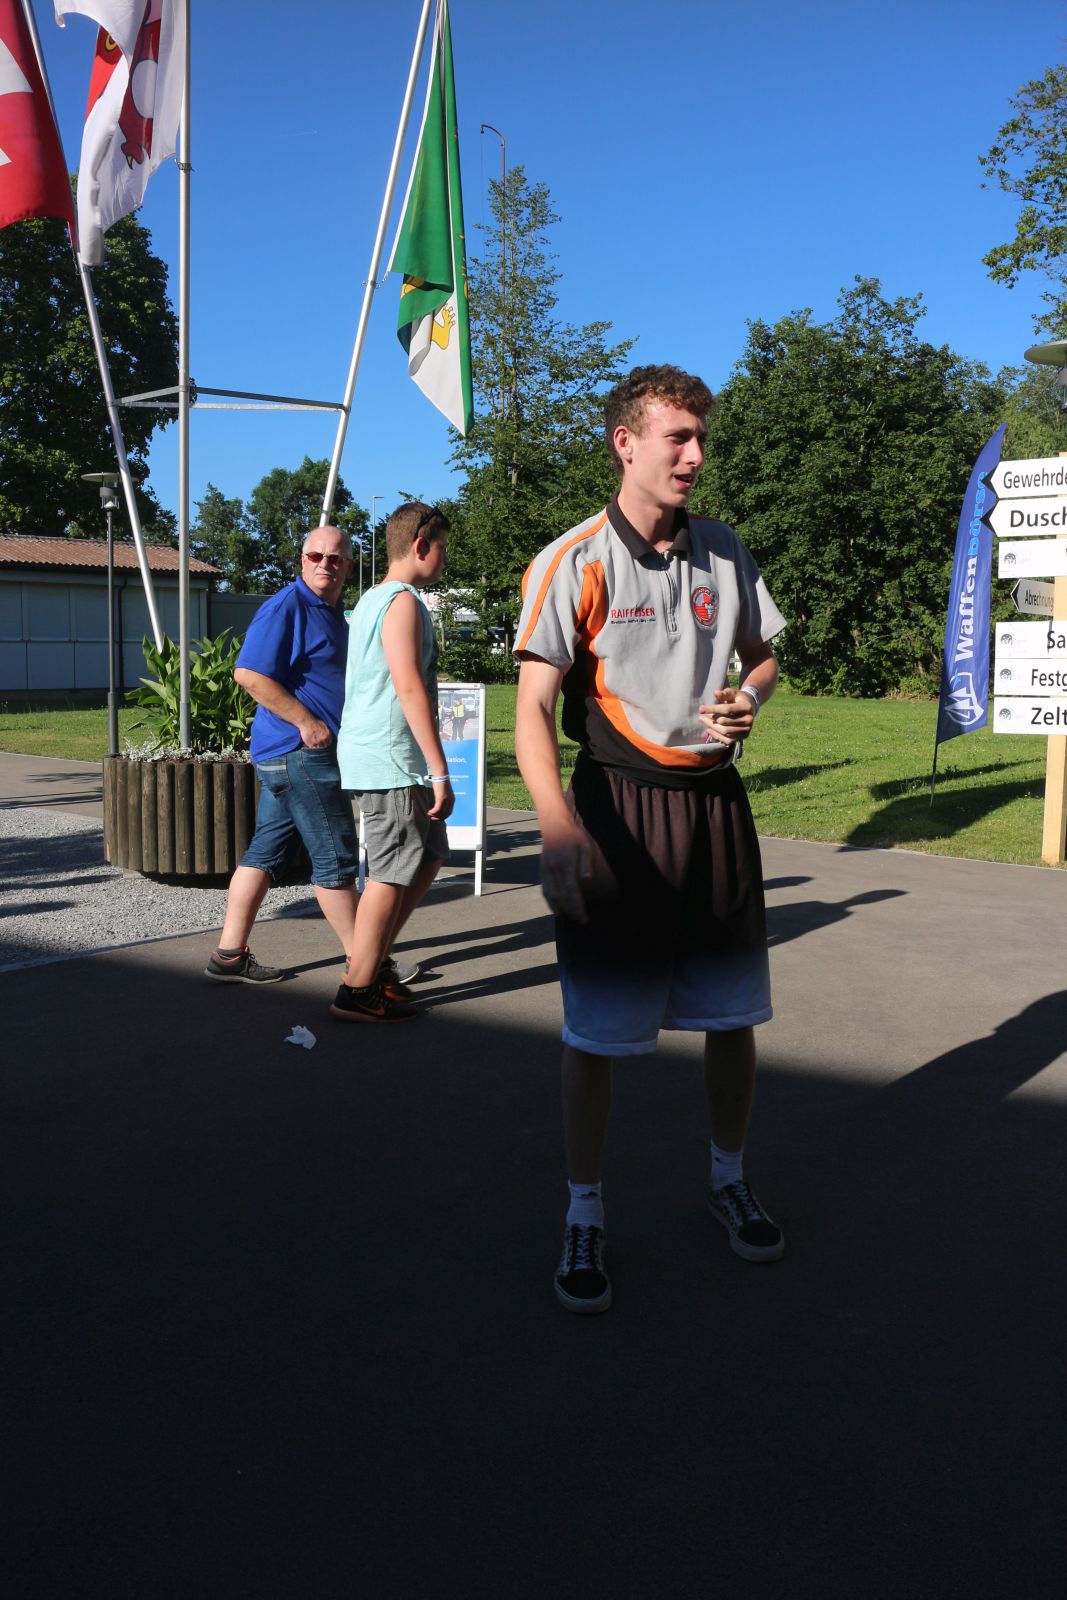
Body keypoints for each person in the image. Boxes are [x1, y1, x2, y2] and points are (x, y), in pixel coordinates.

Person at [514, 364, 787, 1314]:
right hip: (616, 811)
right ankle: (583, 1211)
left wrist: (749, 698)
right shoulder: (574, 559)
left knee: (731, 1017)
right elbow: (532, 710)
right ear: (624, 443)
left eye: (701, 437)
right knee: (597, 1033)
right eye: (678, 437)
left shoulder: (725, 550)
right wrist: (556, 825)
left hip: (715, 808)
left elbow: (764, 657)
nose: (696, 455)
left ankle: (727, 1179)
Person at [205, 524, 360, 985]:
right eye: (316, 556)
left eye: (335, 558)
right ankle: (367, 964)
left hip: (291, 757)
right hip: (299, 754)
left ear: (348, 566)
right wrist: (307, 722)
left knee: (265, 853)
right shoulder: (287, 606)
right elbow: (249, 674)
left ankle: (228, 955)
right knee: (335, 859)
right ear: (302, 560)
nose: (325, 564)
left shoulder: (330, 612)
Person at [331, 503, 454, 1023]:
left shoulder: (372, 599)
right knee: (390, 871)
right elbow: (408, 687)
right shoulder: (401, 602)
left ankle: (373, 961)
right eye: (443, 548)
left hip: (386, 757)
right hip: (391, 760)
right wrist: (440, 769)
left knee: (428, 855)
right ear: (420, 546)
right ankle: (358, 988)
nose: (445, 558)